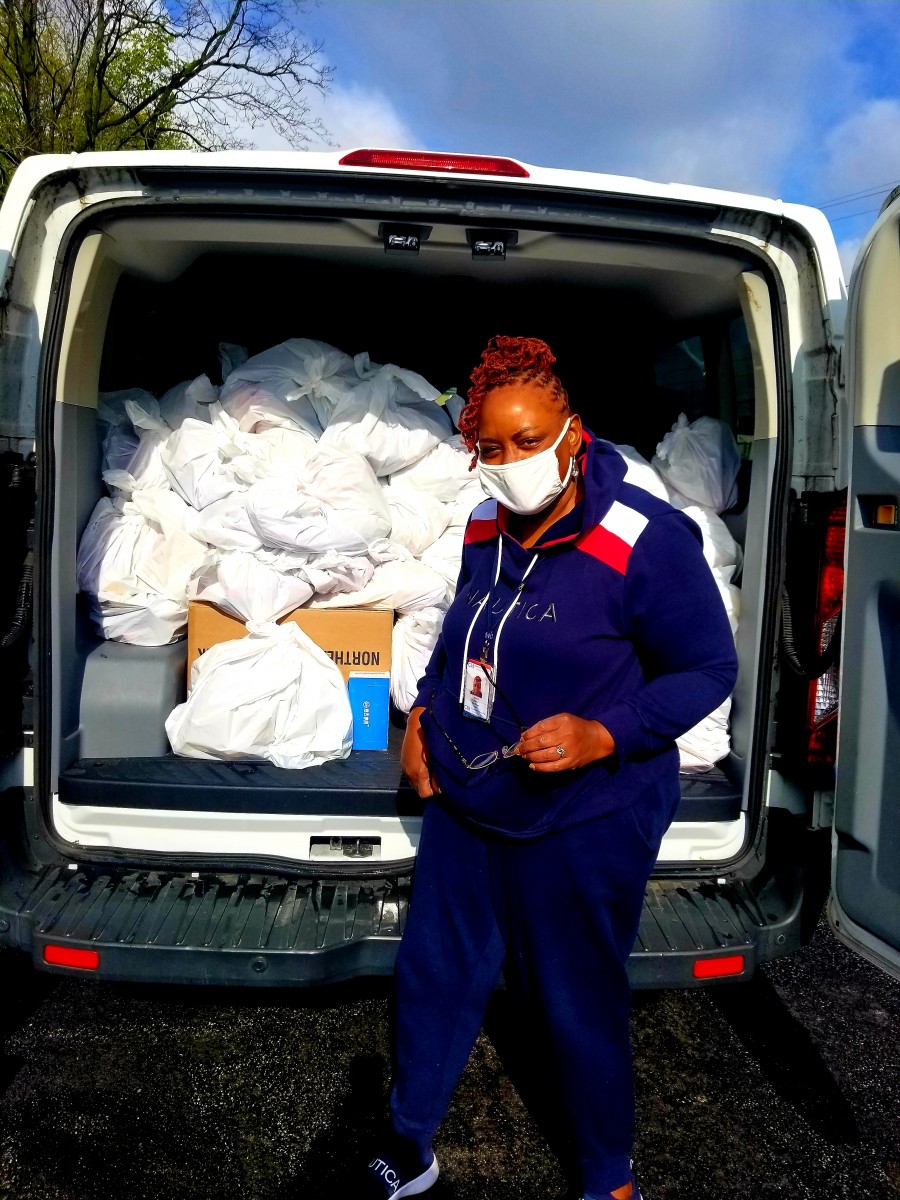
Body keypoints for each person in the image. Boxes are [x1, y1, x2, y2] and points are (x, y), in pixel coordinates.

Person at [362, 335, 738, 1200]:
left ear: (573, 432)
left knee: (575, 999)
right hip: (473, 790)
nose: (509, 463)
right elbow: (467, 630)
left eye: (528, 441)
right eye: (490, 448)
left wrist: (606, 733)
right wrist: (424, 711)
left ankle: (607, 1177)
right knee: (436, 972)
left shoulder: (644, 538)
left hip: (586, 811)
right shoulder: (486, 520)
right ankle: (410, 1144)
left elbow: (707, 669)